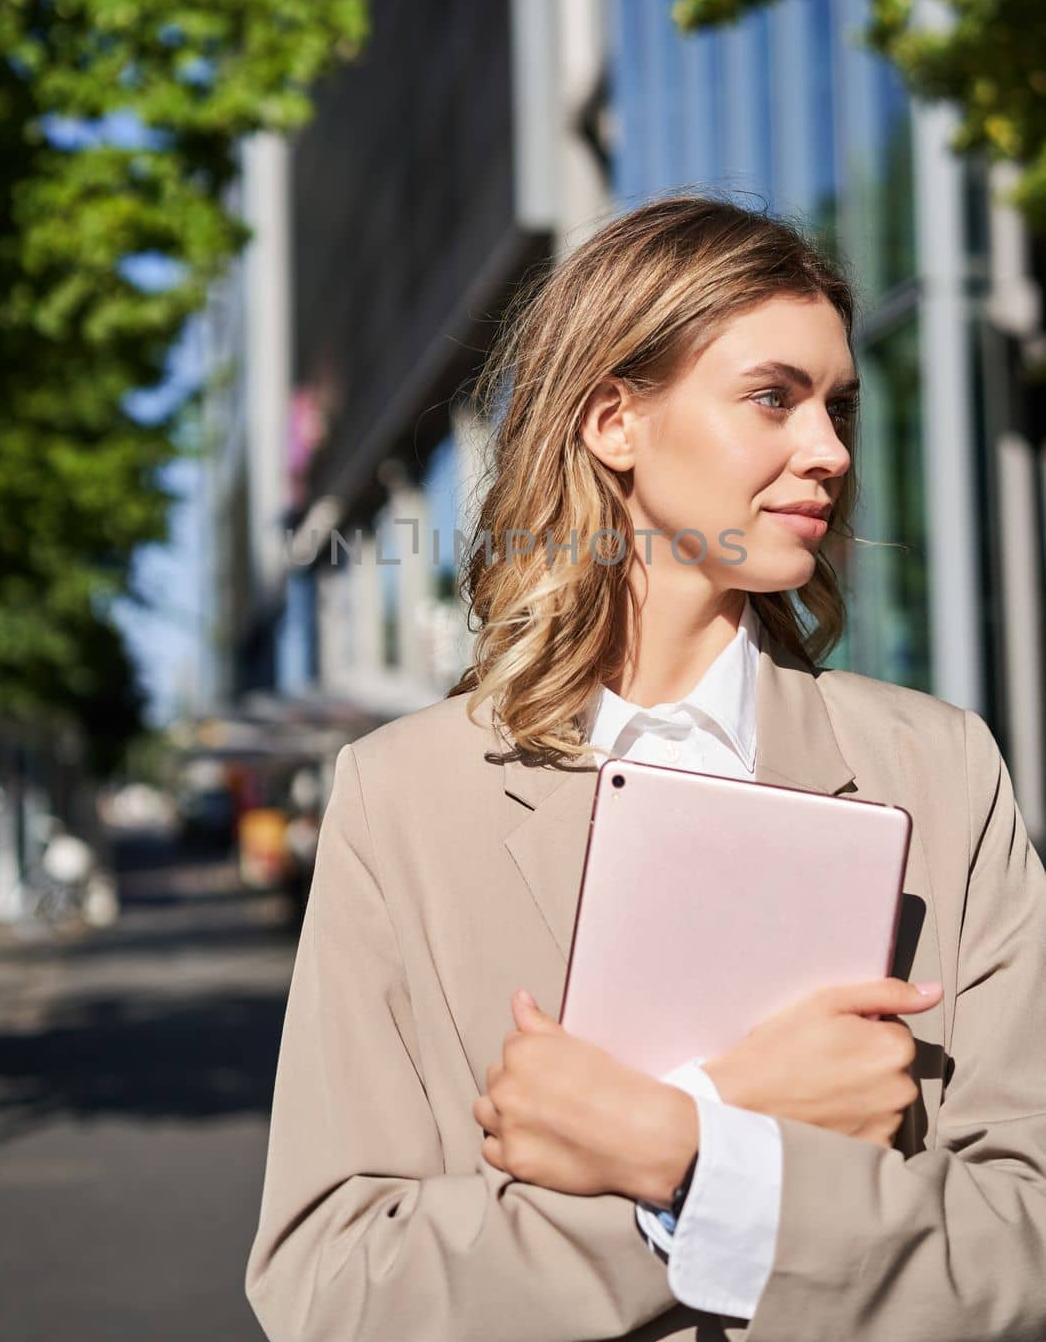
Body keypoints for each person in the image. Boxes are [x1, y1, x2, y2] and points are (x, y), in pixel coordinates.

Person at [245, 197, 1046, 1342]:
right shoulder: (403, 799)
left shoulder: (940, 770)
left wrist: (675, 1149)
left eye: (836, 406)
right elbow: (332, 1288)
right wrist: (709, 1138)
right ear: (614, 419)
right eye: (773, 396)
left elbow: (1021, 1239)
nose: (825, 449)